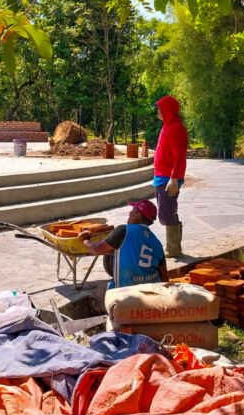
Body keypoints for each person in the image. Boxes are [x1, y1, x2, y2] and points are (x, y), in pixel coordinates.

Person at [78, 199, 168, 289]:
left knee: (105, 290)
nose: (129, 213)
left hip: (126, 293)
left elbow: (96, 249)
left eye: (133, 210)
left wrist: (85, 239)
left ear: (138, 214)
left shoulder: (123, 230)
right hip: (153, 291)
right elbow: (164, 277)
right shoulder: (157, 242)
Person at [153, 95, 188, 257]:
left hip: (169, 178)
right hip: (162, 176)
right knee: (165, 212)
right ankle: (172, 248)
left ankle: (174, 249)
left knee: (166, 213)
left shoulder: (175, 128)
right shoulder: (167, 125)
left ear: (167, 111)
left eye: (160, 109)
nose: (157, 112)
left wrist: (174, 179)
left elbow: (179, 156)